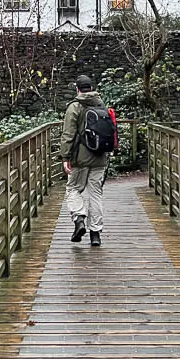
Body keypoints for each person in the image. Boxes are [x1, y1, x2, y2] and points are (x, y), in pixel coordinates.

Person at [59, 75, 111, 247]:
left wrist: (65, 157)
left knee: (73, 188)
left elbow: (68, 134)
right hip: (100, 157)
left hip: (80, 159)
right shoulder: (101, 104)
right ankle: (95, 234)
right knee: (95, 194)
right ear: (91, 87)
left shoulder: (74, 107)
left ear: (77, 88)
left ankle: (79, 218)